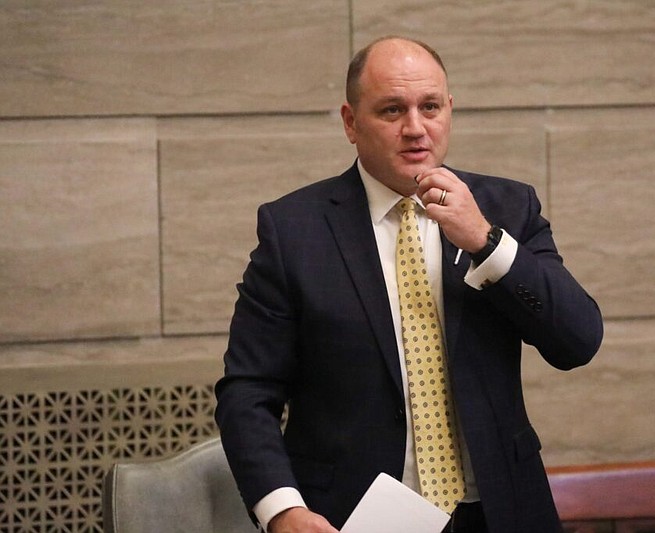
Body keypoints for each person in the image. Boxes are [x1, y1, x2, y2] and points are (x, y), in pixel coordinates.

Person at [215, 36, 603, 533]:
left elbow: (577, 341)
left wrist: (487, 243)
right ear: (351, 123)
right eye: (392, 110)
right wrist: (282, 510)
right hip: (354, 518)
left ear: (449, 111)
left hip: (499, 511)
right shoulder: (294, 231)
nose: (415, 128)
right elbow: (247, 391)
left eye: (430, 107)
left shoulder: (506, 209)